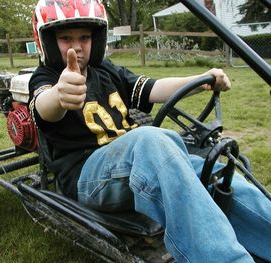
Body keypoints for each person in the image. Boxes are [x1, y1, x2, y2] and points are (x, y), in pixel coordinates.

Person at [28, 0, 271, 262]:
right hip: (86, 177)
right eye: (66, 38)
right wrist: (60, 96)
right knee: (150, 138)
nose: (76, 46)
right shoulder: (47, 77)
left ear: (96, 39)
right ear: (49, 42)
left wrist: (202, 80)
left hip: (131, 162)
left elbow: (153, 88)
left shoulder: (107, 70)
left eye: (85, 37)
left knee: (211, 172)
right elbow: (43, 106)